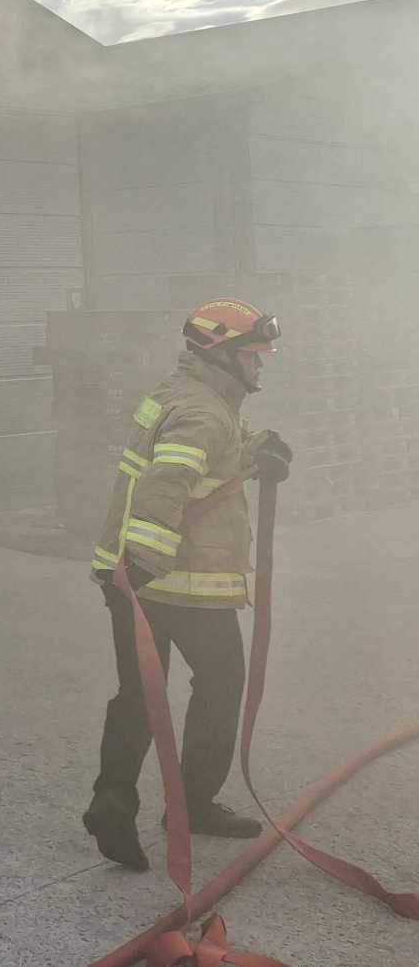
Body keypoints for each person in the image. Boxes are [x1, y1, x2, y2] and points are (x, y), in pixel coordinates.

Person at [83, 299, 293, 871]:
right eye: (253, 354)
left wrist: (259, 451)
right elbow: (168, 480)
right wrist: (146, 560)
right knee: (221, 684)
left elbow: (210, 457)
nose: (261, 364)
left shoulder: (184, 393)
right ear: (221, 354)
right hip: (178, 584)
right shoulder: (203, 411)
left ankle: (112, 801)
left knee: (138, 694)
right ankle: (194, 803)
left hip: (128, 578)